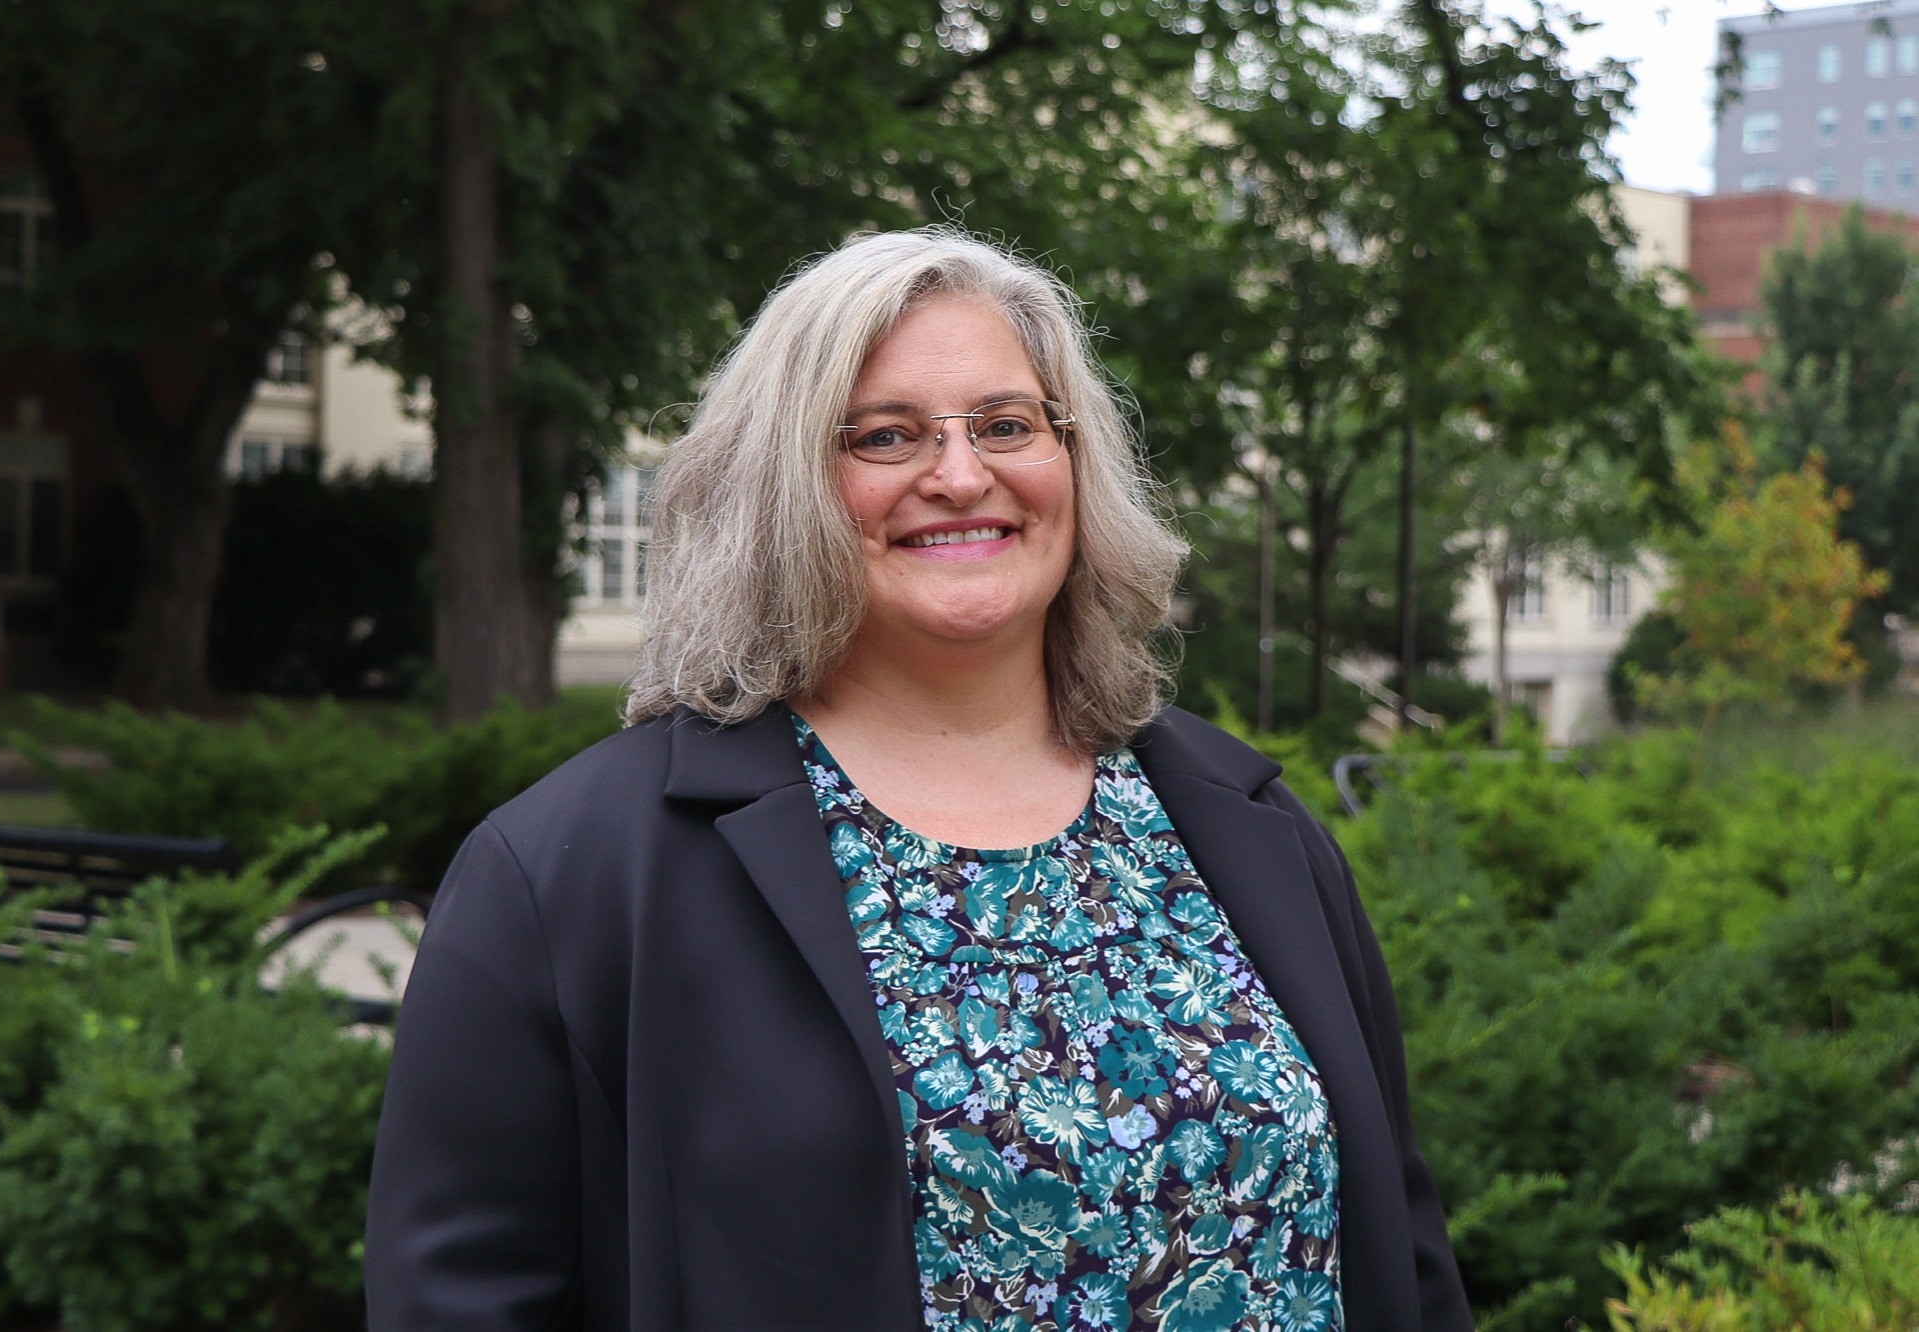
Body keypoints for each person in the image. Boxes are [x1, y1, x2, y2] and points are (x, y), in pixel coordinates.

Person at [365, 228, 1472, 1332]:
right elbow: (459, 1300)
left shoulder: (1247, 827)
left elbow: (1402, 1260)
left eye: (1005, 424)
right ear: (782, 486)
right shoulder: (573, 871)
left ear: (1074, 462)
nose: (959, 475)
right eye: (886, 437)